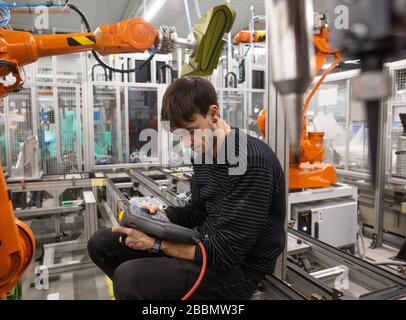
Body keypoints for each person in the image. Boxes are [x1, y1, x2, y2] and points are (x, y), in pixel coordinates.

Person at [88, 76, 286, 300]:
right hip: (207, 244)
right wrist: (159, 216)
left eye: (191, 132)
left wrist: (156, 245)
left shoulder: (251, 161)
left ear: (213, 113)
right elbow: (196, 211)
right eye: (180, 136)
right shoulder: (204, 154)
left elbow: (226, 255)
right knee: (102, 244)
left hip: (239, 268)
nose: (187, 143)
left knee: (129, 279)